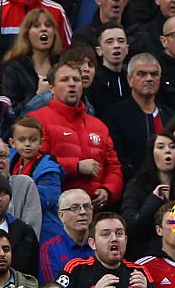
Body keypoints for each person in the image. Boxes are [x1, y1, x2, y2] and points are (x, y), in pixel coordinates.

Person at [32, 62, 124, 207]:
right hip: (56, 210)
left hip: (94, 211)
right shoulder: (37, 120)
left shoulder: (98, 126)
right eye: (64, 80)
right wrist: (76, 166)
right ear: (52, 87)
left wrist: (108, 189)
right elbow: (34, 162)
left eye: (76, 80)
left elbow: (113, 166)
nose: (72, 84)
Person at [101, 53, 175, 180]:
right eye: (142, 74)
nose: (149, 79)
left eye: (154, 74)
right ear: (130, 80)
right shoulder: (114, 116)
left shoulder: (171, 116)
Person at [121, 133, 175, 257]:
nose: (168, 151)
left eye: (172, 147)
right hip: (146, 254)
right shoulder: (137, 185)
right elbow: (130, 227)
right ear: (151, 153)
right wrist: (154, 200)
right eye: (161, 147)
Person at [1, 8, 63, 111]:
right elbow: (11, 112)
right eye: (36, 26)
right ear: (26, 34)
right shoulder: (13, 69)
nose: (44, 29)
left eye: (48, 25)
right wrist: (38, 96)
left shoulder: (62, 64)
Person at [39, 189, 95, 283]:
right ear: (61, 216)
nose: (83, 212)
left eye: (87, 206)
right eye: (74, 208)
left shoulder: (101, 244)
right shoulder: (50, 249)